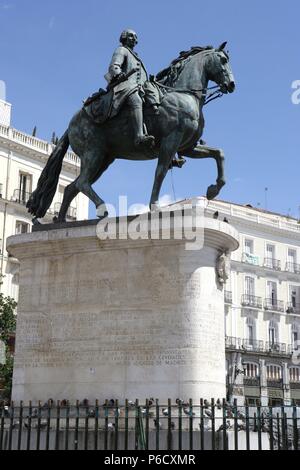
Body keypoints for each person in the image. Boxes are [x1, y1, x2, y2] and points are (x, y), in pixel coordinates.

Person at [105, 29, 155, 149]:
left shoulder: (136, 57)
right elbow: (114, 66)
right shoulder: (121, 50)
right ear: (124, 38)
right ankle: (139, 137)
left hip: (139, 88)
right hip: (125, 85)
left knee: (156, 104)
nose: (134, 39)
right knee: (136, 100)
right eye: (131, 36)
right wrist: (118, 73)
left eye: (135, 37)